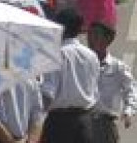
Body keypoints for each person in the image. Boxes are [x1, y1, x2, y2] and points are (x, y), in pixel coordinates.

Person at [42, 10, 106, 143]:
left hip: (60, 123)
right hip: (86, 120)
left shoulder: (56, 54)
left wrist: (36, 118)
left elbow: (48, 93)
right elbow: (96, 87)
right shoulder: (91, 55)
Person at [87, 24, 137, 142]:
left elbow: (131, 89)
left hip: (106, 124)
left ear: (108, 39)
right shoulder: (82, 64)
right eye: (89, 35)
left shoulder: (117, 67)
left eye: (96, 35)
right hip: (84, 122)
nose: (91, 39)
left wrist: (128, 111)